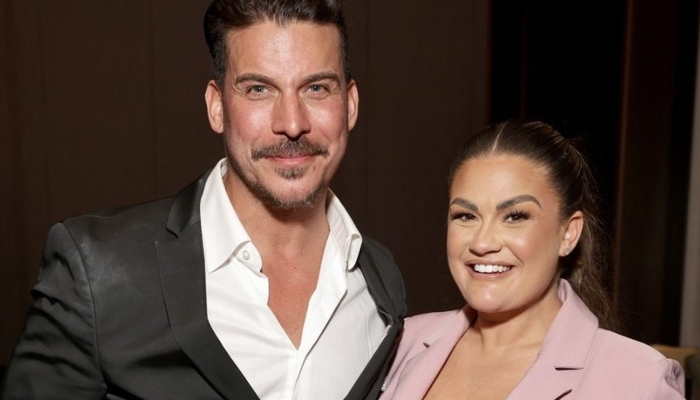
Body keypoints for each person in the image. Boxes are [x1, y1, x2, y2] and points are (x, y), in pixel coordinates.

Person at [1, 1, 406, 399]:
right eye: (259, 89)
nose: (292, 123)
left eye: (316, 88)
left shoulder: (380, 282)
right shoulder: (95, 274)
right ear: (217, 107)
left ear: (350, 104)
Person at [380, 120, 685, 399]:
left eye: (515, 216)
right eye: (466, 216)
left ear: (568, 234)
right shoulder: (400, 343)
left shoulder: (638, 380)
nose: (482, 242)